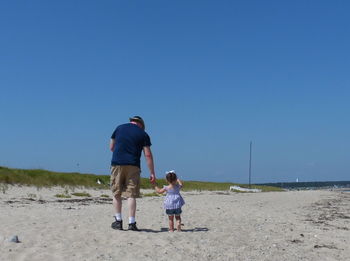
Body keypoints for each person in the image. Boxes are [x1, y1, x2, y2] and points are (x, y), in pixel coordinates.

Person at [109, 116, 156, 231]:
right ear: (141, 125)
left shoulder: (119, 128)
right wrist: (152, 172)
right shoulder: (143, 134)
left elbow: (111, 147)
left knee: (117, 193)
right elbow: (148, 155)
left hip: (117, 163)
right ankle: (132, 223)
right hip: (133, 165)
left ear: (131, 121)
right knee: (131, 194)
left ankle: (118, 221)